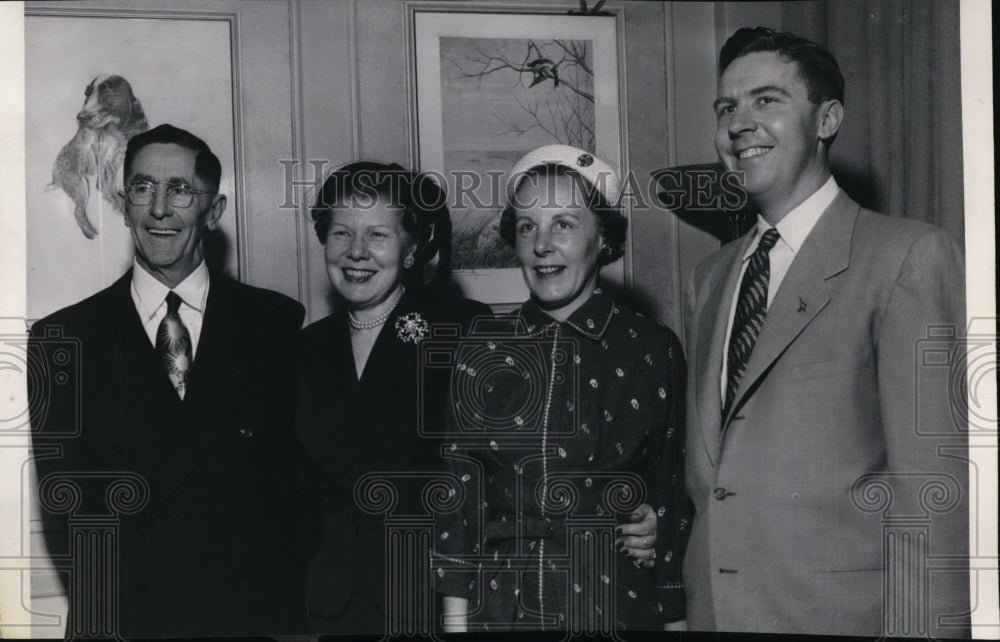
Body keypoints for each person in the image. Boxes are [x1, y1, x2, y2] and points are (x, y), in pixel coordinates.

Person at [683, 27, 969, 637]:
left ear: (827, 118)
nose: (739, 123)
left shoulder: (905, 256)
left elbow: (931, 496)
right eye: (726, 107)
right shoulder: (708, 278)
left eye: (767, 100)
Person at [28, 124, 307, 636]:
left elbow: (292, 494)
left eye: (179, 189)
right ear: (124, 202)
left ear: (214, 210)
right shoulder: (63, 337)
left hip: (240, 619)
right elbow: (67, 507)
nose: (159, 208)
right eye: (141, 188)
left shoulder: (275, 325)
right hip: (122, 620)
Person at [433, 145, 688, 632]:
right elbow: (458, 503)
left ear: (604, 236)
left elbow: (672, 491)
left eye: (564, 224)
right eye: (527, 226)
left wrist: (673, 611)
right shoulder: (481, 349)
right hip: (502, 605)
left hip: (615, 600)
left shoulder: (652, 348)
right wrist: (455, 627)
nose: (541, 244)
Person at [295, 161, 491, 634]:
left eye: (378, 235)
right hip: (333, 601)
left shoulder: (461, 328)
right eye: (341, 233)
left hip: (435, 596)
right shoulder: (305, 347)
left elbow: (494, 473)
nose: (356, 252)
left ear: (410, 248)